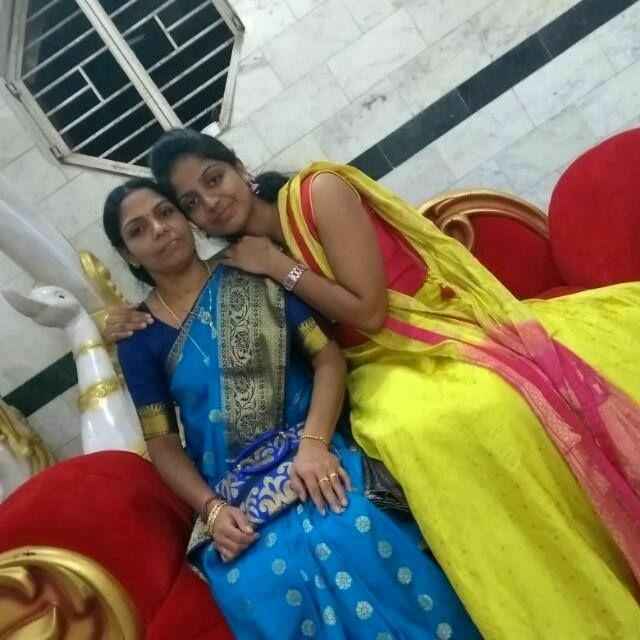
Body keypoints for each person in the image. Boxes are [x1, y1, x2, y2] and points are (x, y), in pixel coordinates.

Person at [104, 130, 640, 639]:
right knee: (386, 449)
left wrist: (279, 269)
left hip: (416, 339)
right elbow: (166, 428)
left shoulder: (309, 203)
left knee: (449, 425)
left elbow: (362, 320)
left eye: (213, 180)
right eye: (191, 202)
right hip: (352, 384)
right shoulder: (223, 275)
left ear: (239, 169)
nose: (208, 204)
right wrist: (106, 322)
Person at [103, 177, 480, 640]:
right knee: (259, 579)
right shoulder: (137, 337)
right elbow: (162, 442)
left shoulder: (251, 269)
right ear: (127, 254)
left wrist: (315, 445)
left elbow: (327, 359)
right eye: (138, 230)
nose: (159, 229)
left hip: (311, 447)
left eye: (165, 213)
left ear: (186, 219)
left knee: (350, 526)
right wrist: (213, 510)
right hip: (232, 486)